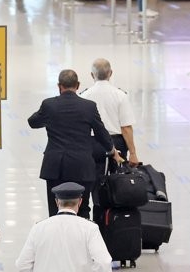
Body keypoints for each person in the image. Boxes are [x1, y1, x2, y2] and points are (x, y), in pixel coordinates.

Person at [28, 69, 121, 218]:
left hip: (55, 167)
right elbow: (101, 133)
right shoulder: (89, 106)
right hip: (82, 167)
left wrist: (46, 114)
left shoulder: (49, 105)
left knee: (56, 209)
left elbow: (32, 122)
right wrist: (112, 151)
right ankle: (81, 239)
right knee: (83, 208)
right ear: (78, 85)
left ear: (59, 86)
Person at [80, 58, 140, 221]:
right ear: (110, 74)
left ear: (92, 75)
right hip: (115, 146)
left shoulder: (84, 96)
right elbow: (126, 128)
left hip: (91, 146)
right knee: (112, 187)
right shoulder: (120, 95)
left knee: (89, 186)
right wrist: (133, 153)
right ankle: (107, 224)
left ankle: (88, 223)